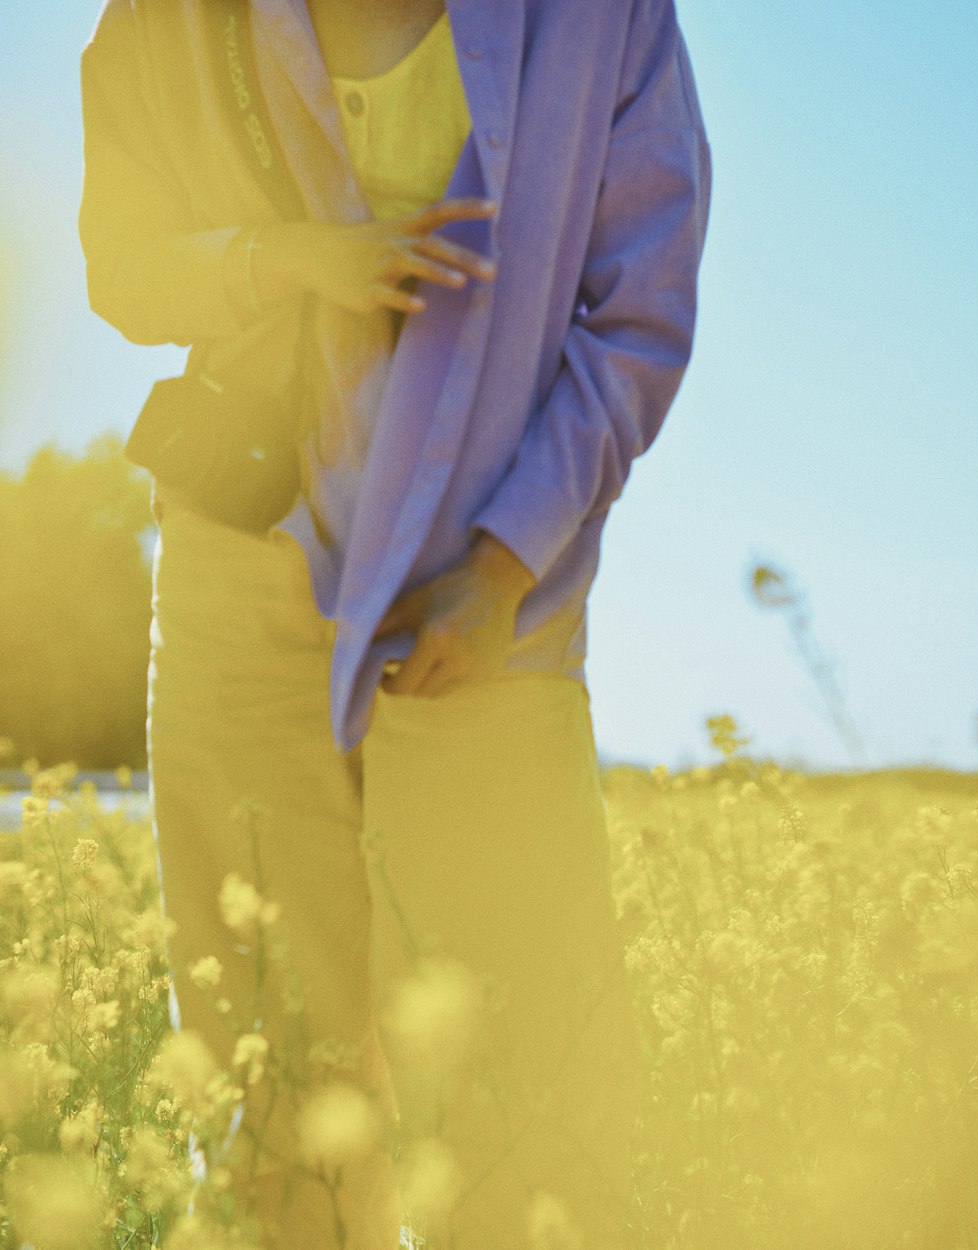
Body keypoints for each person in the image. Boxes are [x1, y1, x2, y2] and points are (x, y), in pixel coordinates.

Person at [78, 1, 711, 1248]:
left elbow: (638, 311)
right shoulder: (166, 13)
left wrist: (506, 561)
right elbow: (118, 265)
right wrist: (287, 257)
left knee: (518, 1109)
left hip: (481, 608)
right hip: (237, 581)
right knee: (274, 1106)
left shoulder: (602, 19)